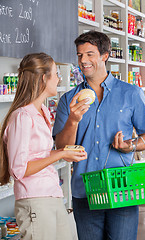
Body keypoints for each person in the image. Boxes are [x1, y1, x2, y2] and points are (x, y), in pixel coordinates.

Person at [52, 31, 145, 240]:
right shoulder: (69, 99)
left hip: (122, 190)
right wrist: (73, 120)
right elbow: (61, 147)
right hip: (85, 191)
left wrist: (130, 146)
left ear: (105, 55)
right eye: (80, 55)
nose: (83, 61)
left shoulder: (130, 93)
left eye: (90, 54)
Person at [0, 52, 87, 240]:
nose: (59, 78)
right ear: (43, 78)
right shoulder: (22, 117)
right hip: (34, 200)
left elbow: (39, 155)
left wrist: (65, 153)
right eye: (55, 74)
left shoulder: (43, 112)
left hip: (52, 194)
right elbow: (19, 169)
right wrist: (60, 153)